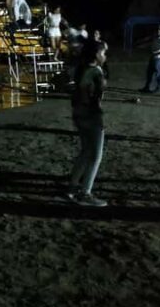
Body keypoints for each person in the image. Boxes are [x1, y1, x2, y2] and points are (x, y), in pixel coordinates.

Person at [67, 40, 109, 207]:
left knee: (85, 152)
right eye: (103, 53)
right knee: (95, 156)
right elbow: (96, 96)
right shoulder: (96, 71)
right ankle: (85, 192)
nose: (105, 56)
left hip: (78, 114)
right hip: (91, 115)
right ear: (96, 55)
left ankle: (72, 186)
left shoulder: (81, 69)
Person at [139, 25, 160, 93]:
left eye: (159, 30)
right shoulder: (156, 37)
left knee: (159, 74)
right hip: (153, 58)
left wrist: (157, 53)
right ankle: (147, 87)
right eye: (157, 30)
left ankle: (159, 89)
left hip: (159, 59)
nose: (158, 31)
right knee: (149, 73)